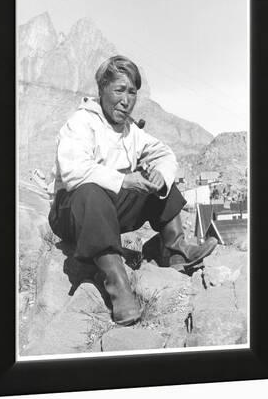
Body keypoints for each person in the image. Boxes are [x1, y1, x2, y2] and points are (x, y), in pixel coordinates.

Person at [48, 55, 217, 326]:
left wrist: (159, 176)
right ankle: (117, 284)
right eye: (119, 90)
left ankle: (176, 250)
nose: (126, 100)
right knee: (90, 192)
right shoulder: (80, 123)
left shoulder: (131, 131)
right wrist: (125, 181)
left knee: (160, 180)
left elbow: (165, 153)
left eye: (132, 92)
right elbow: (74, 172)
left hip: (108, 211)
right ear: (102, 89)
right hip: (71, 212)